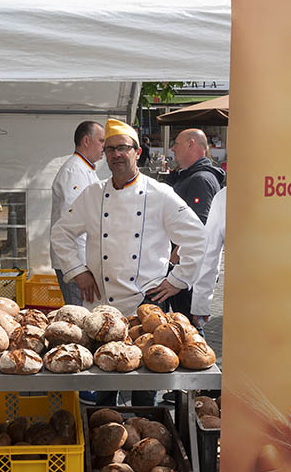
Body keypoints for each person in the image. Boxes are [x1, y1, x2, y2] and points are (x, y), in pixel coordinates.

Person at [51, 119, 205, 406]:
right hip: (101, 306)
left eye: (123, 148)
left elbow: (197, 237)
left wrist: (177, 280)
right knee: (104, 377)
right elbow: (61, 233)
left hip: (146, 304)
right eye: (109, 149)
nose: (116, 155)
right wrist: (78, 271)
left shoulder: (160, 194)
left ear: (137, 152)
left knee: (146, 382)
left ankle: (147, 425)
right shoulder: (93, 194)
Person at [166, 128, 224, 325]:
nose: (172, 148)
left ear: (191, 144)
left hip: (189, 270)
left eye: (177, 143)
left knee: (191, 329)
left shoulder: (201, 180)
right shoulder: (189, 177)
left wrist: (177, 255)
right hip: (183, 267)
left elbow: (201, 226)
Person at [49, 120, 105, 307]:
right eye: (101, 140)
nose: (104, 146)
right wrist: (79, 269)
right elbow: (72, 224)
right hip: (76, 264)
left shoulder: (85, 169)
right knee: (80, 320)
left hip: (84, 261)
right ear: (87, 141)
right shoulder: (74, 171)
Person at [191, 187, 227, 328]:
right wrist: (201, 304)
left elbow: (209, 252)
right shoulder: (224, 197)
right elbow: (209, 252)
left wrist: (201, 305)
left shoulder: (224, 196)